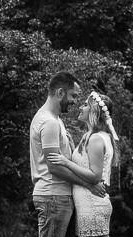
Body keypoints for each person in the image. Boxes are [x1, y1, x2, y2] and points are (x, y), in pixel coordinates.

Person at [30, 72, 106, 237]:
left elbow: (61, 159)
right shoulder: (49, 122)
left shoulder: (55, 120)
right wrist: (88, 185)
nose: (74, 101)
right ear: (60, 93)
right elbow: (54, 168)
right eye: (73, 95)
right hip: (53, 196)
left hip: (58, 197)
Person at [47, 91, 120, 237]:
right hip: (86, 204)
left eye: (85, 105)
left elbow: (94, 176)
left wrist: (66, 162)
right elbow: (85, 163)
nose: (81, 107)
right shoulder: (90, 136)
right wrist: (74, 148)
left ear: (94, 111)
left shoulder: (96, 139)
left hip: (92, 205)